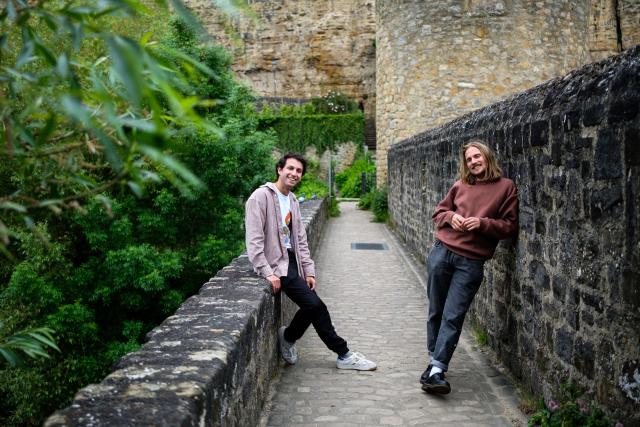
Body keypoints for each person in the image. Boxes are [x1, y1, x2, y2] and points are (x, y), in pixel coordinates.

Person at [245, 152, 376, 371]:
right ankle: (343, 354)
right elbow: (254, 241)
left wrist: (309, 271)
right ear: (279, 169)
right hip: (277, 265)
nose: (294, 174)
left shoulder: (293, 200)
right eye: (290, 168)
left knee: (311, 306)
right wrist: (267, 272)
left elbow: (300, 240)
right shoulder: (260, 198)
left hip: (291, 262)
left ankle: (288, 336)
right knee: (316, 305)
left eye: (299, 171)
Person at [420, 140, 519, 394]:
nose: (473, 162)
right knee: (436, 311)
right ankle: (434, 360)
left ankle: (437, 369)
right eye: (469, 159)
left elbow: (510, 226)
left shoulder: (506, 188)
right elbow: (439, 212)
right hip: (442, 253)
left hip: (471, 262)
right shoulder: (460, 185)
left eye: (477, 157)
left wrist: (483, 224)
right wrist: (452, 217)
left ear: (487, 157)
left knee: (453, 316)